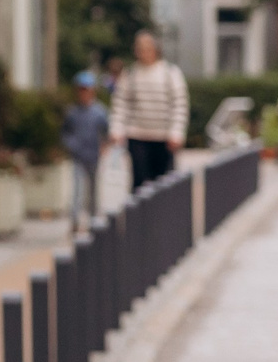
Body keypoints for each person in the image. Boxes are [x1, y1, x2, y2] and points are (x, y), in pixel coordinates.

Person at [110, 30, 190, 191]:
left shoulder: (170, 73)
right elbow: (120, 104)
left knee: (163, 183)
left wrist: (177, 132)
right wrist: (116, 129)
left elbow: (179, 104)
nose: (142, 52)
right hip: (137, 135)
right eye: (139, 48)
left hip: (163, 136)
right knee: (139, 181)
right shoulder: (130, 74)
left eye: (146, 47)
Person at [61, 71, 110, 232]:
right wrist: (71, 145)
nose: (84, 93)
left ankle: (93, 218)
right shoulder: (72, 112)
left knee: (94, 188)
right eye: (81, 90)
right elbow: (65, 133)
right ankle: (75, 220)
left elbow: (107, 132)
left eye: (87, 89)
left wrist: (104, 146)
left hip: (94, 155)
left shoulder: (100, 111)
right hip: (77, 156)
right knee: (77, 189)